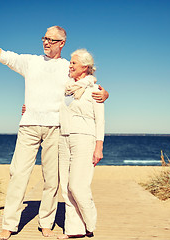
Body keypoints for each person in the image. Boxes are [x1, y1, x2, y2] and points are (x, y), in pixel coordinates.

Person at [0, 26, 108, 240]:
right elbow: (4, 56)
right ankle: (9, 225)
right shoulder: (31, 62)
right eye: (44, 38)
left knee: (51, 180)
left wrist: (106, 93)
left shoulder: (68, 67)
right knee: (18, 173)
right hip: (28, 126)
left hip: (56, 128)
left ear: (61, 43)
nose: (46, 42)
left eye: (51, 39)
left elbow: (89, 80)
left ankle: (46, 223)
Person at [57, 49, 105, 239]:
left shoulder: (95, 90)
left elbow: (100, 121)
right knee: (66, 187)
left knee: (78, 186)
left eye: (73, 63)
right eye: (70, 62)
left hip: (84, 138)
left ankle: (90, 223)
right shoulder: (66, 89)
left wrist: (98, 147)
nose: (70, 65)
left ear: (85, 67)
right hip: (63, 137)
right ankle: (74, 230)